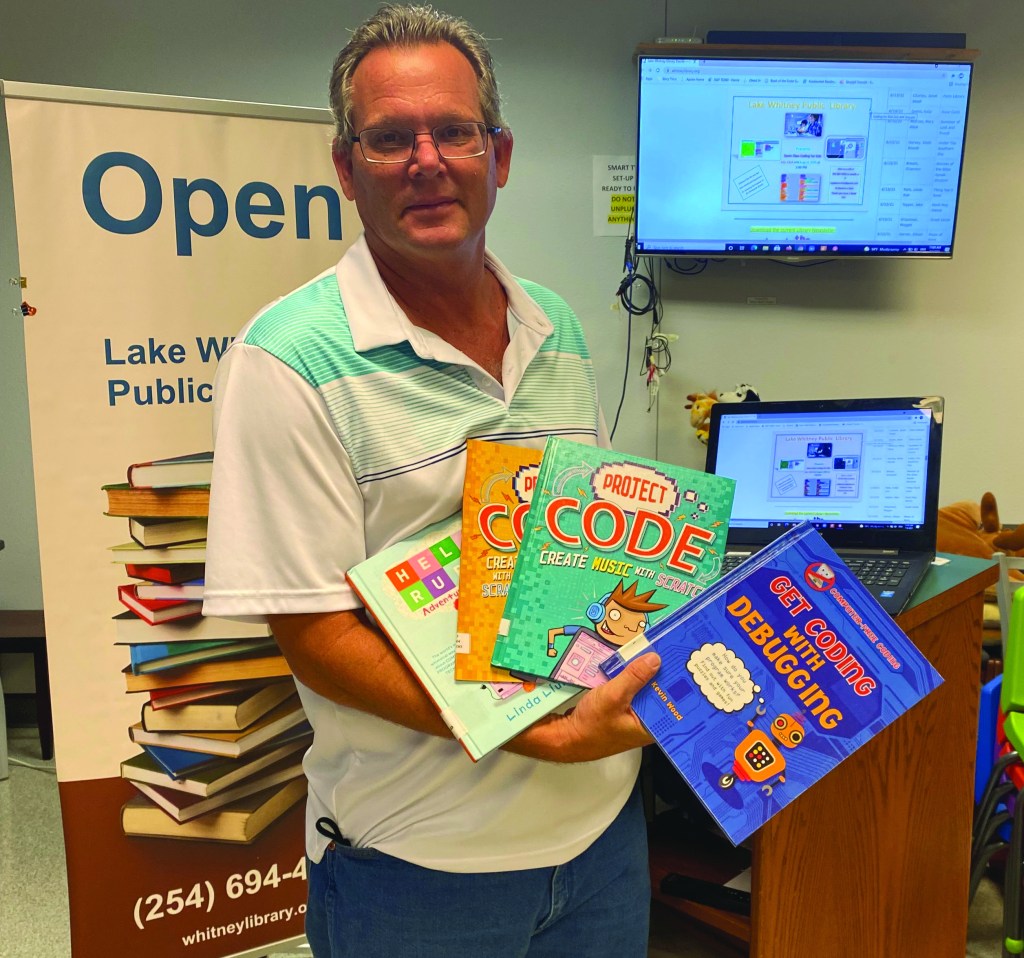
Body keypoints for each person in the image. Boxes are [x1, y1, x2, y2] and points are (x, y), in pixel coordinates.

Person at [203, 5, 661, 956]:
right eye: (389, 139)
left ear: (499, 155)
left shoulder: (556, 328)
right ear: (345, 167)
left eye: (454, 131)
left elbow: (577, 561)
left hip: (601, 837)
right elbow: (317, 638)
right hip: (420, 865)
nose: (426, 161)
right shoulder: (288, 359)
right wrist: (539, 735)